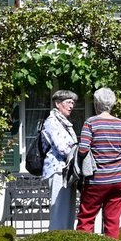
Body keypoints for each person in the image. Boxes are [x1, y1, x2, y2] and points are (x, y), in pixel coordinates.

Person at [76, 87, 121, 239]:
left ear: (96, 104)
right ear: (112, 104)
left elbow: (83, 150)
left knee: (86, 218)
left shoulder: (91, 123)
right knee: (112, 220)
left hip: (98, 180)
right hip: (120, 180)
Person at [40, 89, 79, 230]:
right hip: (57, 171)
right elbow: (63, 148)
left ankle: (67, 239)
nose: (71, 106)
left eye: (73, 103)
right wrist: (80, 153)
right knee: (59, 212)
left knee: (68, 212)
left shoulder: (65, 123)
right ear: (58, 103)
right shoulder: (52, 122)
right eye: (68, 102)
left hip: (67, 171)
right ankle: (56, 239)